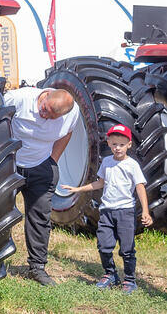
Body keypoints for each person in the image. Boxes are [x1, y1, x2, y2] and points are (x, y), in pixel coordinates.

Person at [61, 124, 152, 294]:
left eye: (122, 144)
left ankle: (130, 280)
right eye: (114, 144)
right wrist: (79, 189)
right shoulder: (107, 162)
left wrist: (145, 211)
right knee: (103, 245)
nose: (118, 148)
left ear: (129, 145)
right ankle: (110, 274)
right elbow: (100, 183)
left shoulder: (132, 165)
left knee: (127, 248)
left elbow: (140, 187)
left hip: (125, 212)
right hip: (106, 211)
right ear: (109, 143)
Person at [3, 86, 79, 285]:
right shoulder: (18, 99)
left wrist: (52, 161)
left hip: (41, 167)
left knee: (40, 218)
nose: (45, 116)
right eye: (45, 109)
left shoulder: (72, 113)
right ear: (45, 95)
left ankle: (37, 268)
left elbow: (67, 133)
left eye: (53, 116)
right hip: (10, 164)